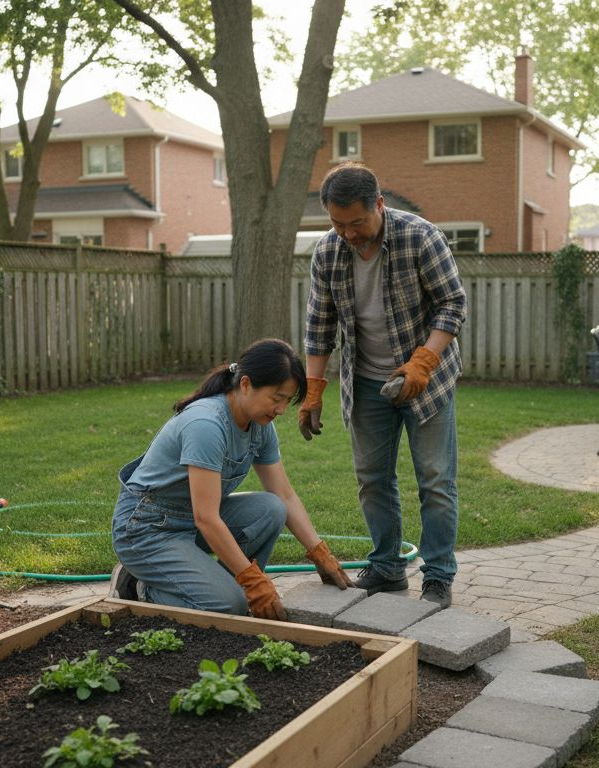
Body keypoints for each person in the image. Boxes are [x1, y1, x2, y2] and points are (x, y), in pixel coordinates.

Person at [298, 162, 468, 608]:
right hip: (367, 382)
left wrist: (423, 361)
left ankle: (438, 577)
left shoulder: (420, 237)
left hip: (427, 381)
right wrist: (313, 387)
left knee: (434, 480)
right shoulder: (328, 252)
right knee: (373, 479)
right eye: (338, 223)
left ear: (379, 204)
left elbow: (452, 304)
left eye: (357, 222)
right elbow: (320, 326)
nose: (348, 233)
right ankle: (388, 569)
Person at [110, 338, 350, 619]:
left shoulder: (260, 426)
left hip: (188, 521)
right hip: (147, 529)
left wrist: (320, 553)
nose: (282, 410)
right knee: (230, 605)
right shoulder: (207, 425)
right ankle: (139, 587)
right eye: (276, 398)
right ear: (246, 384)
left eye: (287, 401)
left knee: (272, 508)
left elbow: (284, 495)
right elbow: (207, 518)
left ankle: (215, 589)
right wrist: (253, 581)